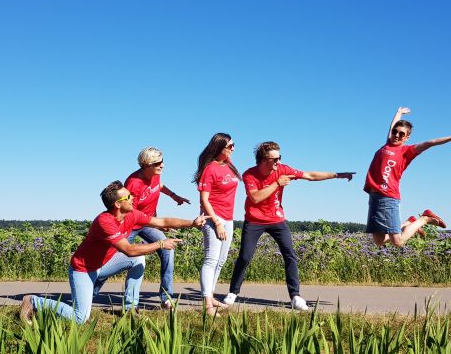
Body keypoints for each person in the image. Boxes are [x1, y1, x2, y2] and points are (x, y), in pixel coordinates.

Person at [19, 180, 206, 325]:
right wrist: (160, 244)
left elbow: (162, 222)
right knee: (79, 318)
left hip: (104, 264)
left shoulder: (132, 214)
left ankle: (130, 308)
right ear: (117, 204)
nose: (133, 198)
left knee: (139, 261)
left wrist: (192, 223)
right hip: (83, 269)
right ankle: (34, 301)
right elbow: (129, 250)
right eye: (128, 197)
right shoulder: (104, 221)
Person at [223, 141, 355, 311]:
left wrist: (337, 175)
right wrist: (277, 183)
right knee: (245, 257)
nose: (279, 162)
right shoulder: (250, 175)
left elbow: (310, 176)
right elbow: (255, 198)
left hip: (277, 220)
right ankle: (233, 292)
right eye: (275, 159)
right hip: (254, 220)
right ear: (264, 160)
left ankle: (295, 296)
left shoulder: (283, 169)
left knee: (290, 255)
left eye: (280, 158)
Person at [364, 107, 451, 247]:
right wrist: (399, 113)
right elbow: (392, 125)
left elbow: (430, 143)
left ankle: (424, 219)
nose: (397, 135)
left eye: (401, 134)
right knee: (379, 242)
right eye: (395, 132)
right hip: (374, 198)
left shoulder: (406, 151)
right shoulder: (387, 145)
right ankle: (409, 223)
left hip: (388, 197)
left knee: (398, 242)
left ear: (407, 137)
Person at [124, 147, 190, 309]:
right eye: (158, 163)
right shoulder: (133, 183)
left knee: (168, 249)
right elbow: (131, 213)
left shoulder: (155, 175)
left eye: (162, 162)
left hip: (147, 223)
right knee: (109, 257)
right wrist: (158, 223)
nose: (162, 166)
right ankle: (92, 292)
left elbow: (159, 186)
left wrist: (175, 196)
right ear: (146, 165)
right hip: (130, 225)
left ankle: (166, 297)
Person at [193, 133, 241, 317]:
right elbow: (204, 199)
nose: (233, 149)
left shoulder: (228, 165)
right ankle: (207, 304)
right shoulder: (210, 169)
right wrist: (217, 222)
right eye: (230, 146)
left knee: (221, 261)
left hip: (228, 219)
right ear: (219, 148)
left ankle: (211, 296)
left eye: (233, 145)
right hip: (213, 218)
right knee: (211, 260)